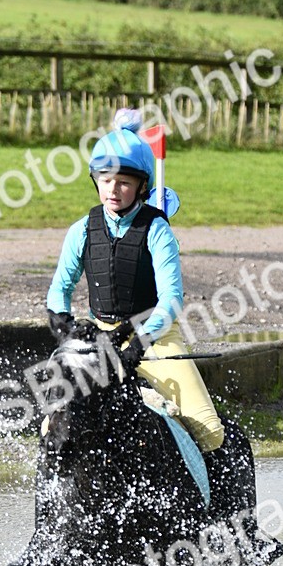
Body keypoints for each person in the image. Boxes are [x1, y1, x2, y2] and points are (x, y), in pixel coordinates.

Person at [46, 110, 225, 454]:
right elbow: (60, 288)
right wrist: (63, 322)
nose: (113, 189)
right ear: (95, 179)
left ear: (142, 186)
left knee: (211, 431)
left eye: (124, 182)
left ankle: (207, 502)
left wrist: (140, 343)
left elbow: (172, 298)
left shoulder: (157, 230)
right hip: (98, 341)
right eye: (106, 179)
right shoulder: (81, 230)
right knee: (50, 425)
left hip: (154, 337)